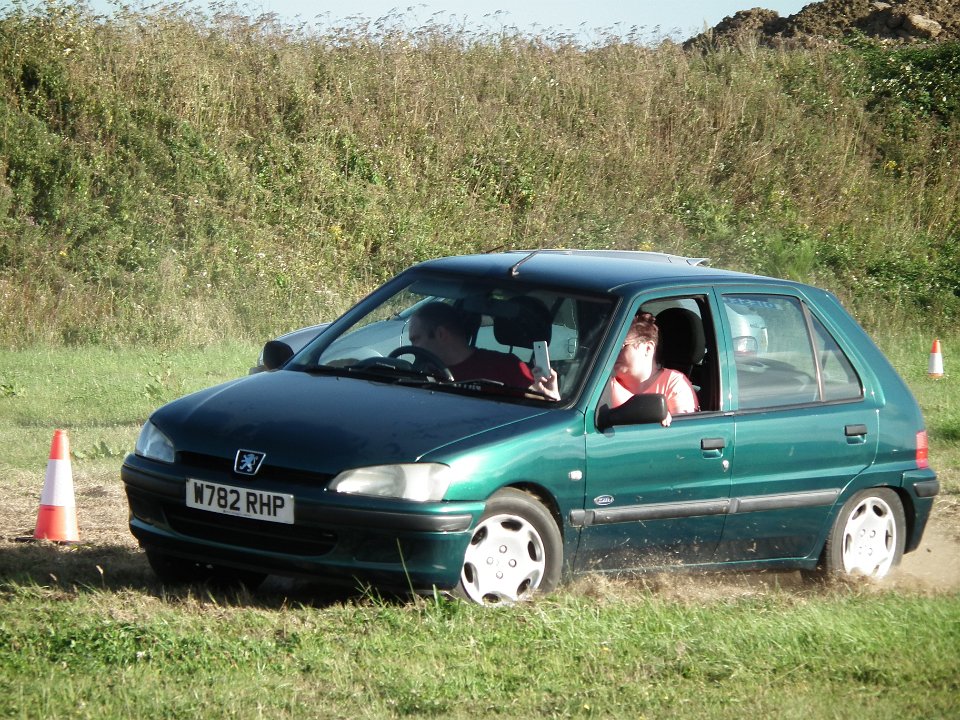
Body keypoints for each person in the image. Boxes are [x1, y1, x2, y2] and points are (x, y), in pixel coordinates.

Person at [408, 301, 559, 400]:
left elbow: (541, 406)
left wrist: (552, 398)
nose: (412, 348)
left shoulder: (507, 368)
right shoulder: (419, 373)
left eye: (416, 339)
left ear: (441, 334)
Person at [609, 312, 698, 426]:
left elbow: (684, 433)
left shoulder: (673, 383)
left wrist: (658, 419)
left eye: (621, 346)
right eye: (611, 347)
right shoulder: (603, 384)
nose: (613, 353)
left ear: (648, 348)